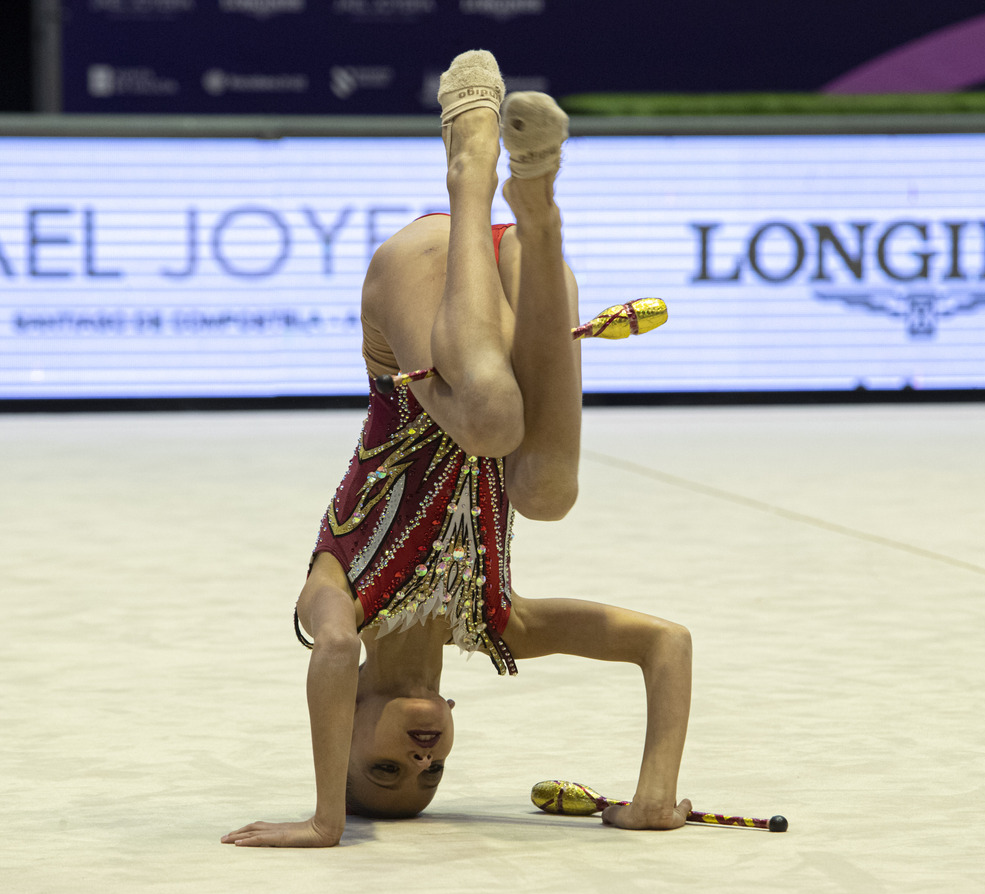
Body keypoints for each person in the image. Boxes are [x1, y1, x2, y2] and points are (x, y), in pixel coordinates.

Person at [222, 51, 692, 848]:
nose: (419, 760)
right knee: (544, 495)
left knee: (491, 424)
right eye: (431, 776)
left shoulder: (336, 601)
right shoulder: (498, 622)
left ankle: (470, 163)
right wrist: (654, 795)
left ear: (344, 724)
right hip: (519, 288)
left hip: (417, 292)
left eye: (384, 771)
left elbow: (334, 651)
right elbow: (665, 645)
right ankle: (538, 206)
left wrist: (327, 820)